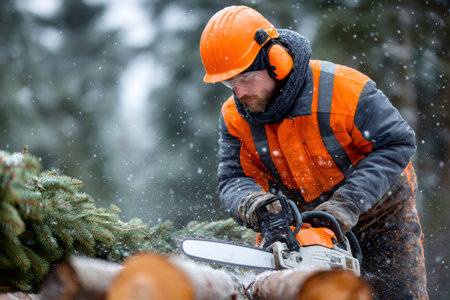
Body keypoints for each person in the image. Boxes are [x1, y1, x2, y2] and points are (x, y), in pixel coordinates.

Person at [199, 5, 428, 300]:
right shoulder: (234, 116)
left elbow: (397, 142)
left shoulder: (345, 91)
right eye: (230, 83)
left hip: (379, 217)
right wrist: (259, 207)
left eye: (245, 78)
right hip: (300, 225)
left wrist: (346, 204)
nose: (239, 92)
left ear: (275, 62)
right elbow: (234, 177)